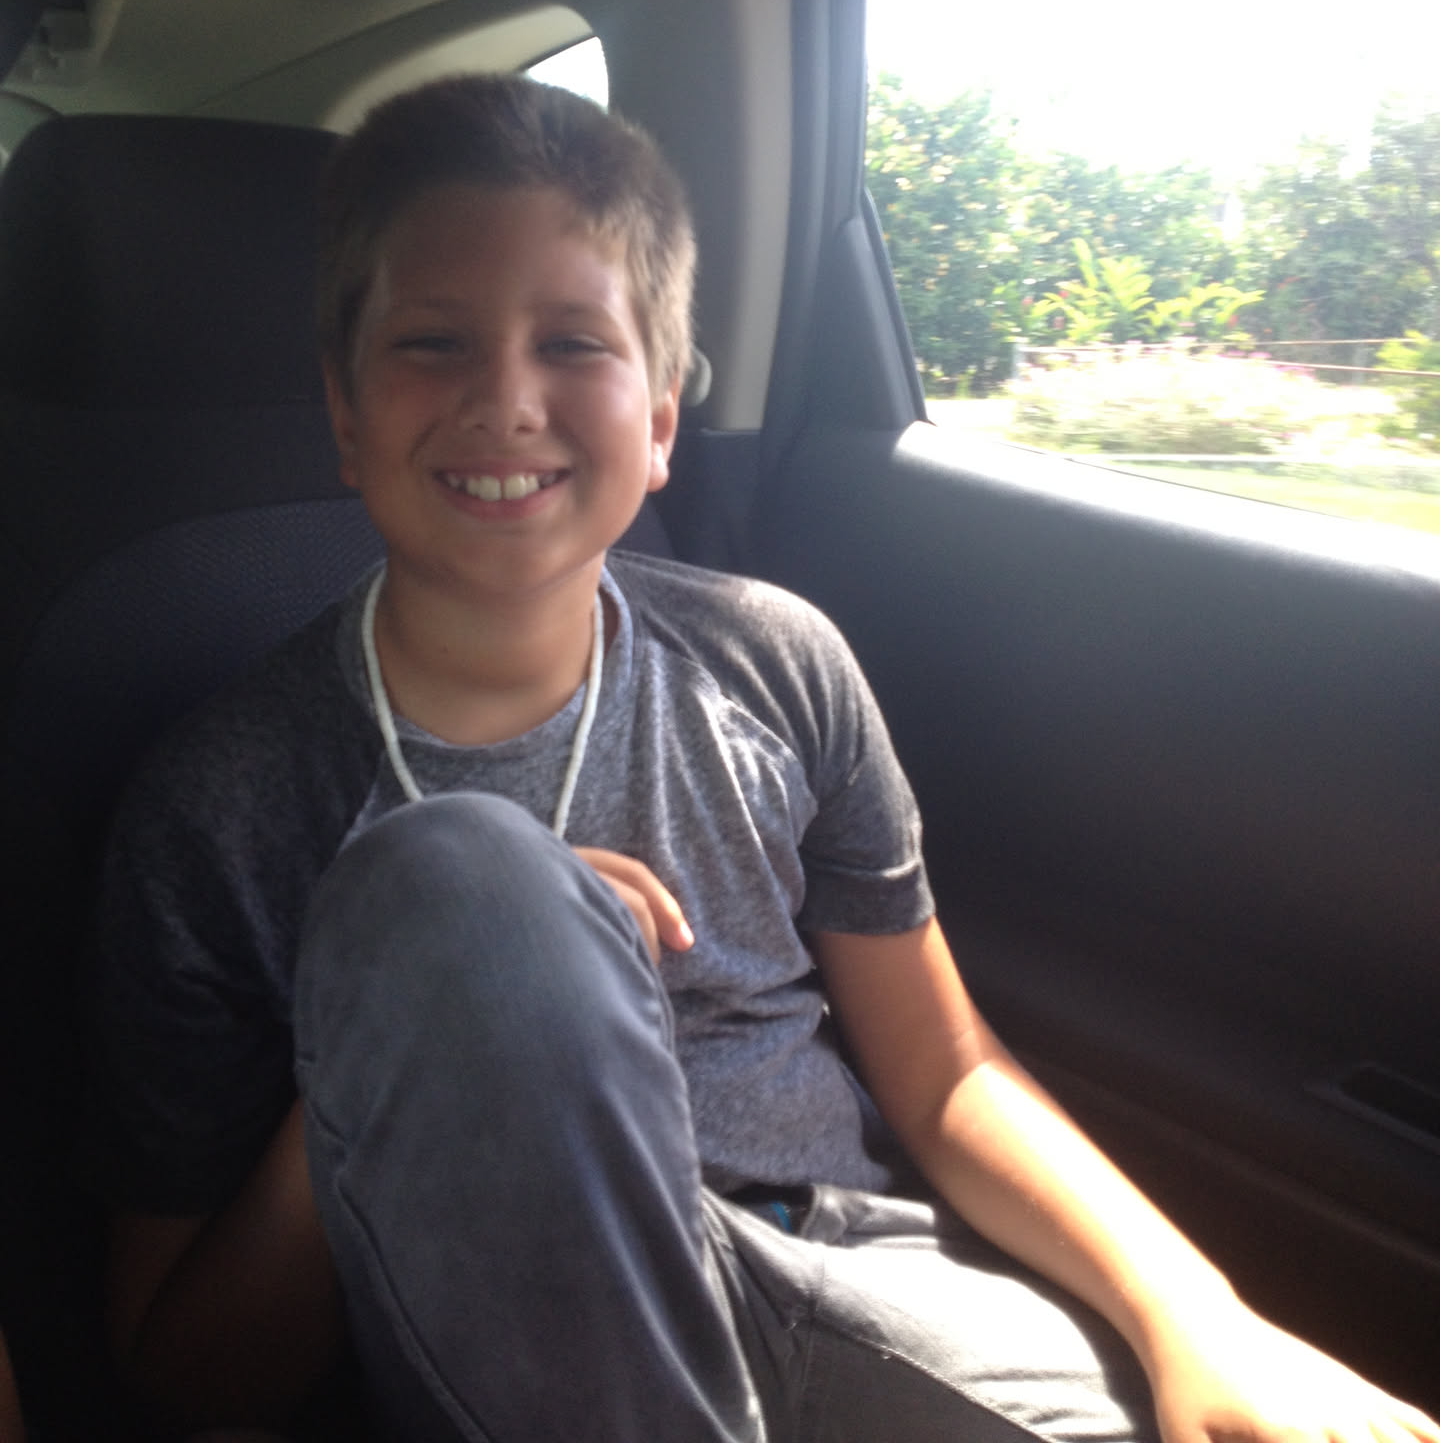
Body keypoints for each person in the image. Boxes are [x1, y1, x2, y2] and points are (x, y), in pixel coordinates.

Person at [91, 74, 1440, 1443]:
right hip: (517, 1339)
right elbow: (189, 1373)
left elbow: (945, 1077)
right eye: (434, 343)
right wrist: (403, 1026)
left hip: (851, 1277)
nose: (505, 399)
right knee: (453, 886)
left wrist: (1198, 1317)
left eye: (573, 343)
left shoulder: (773, 664)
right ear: (344, 412)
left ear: (661, 422)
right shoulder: (227, 806)